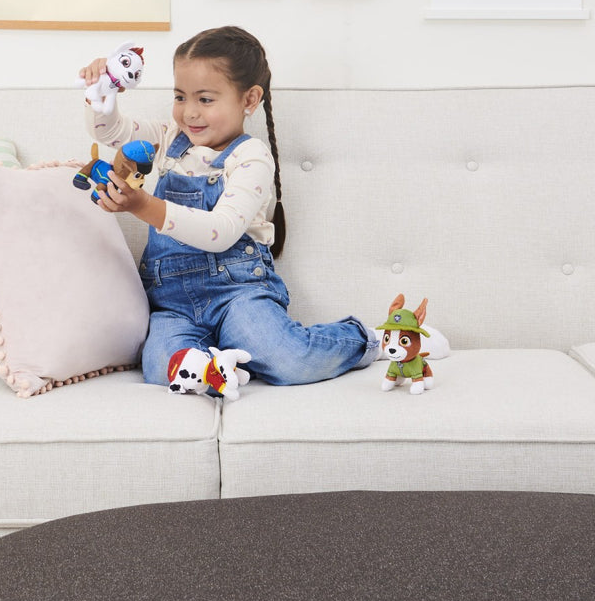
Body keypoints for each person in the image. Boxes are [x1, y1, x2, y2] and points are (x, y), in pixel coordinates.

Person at [79, 25, 382, 393]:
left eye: (205, 99)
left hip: (239, 294)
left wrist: (143, 206)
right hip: (173, 303)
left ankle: (370, 339)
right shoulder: (168, 138)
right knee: (160, 367)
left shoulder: (251, 157)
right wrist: (101, 93)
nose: (189, 112)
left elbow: (220, 232)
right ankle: (224, 369)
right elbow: (110, 132)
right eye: (180, 97)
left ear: (249, 99)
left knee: (289, 358)